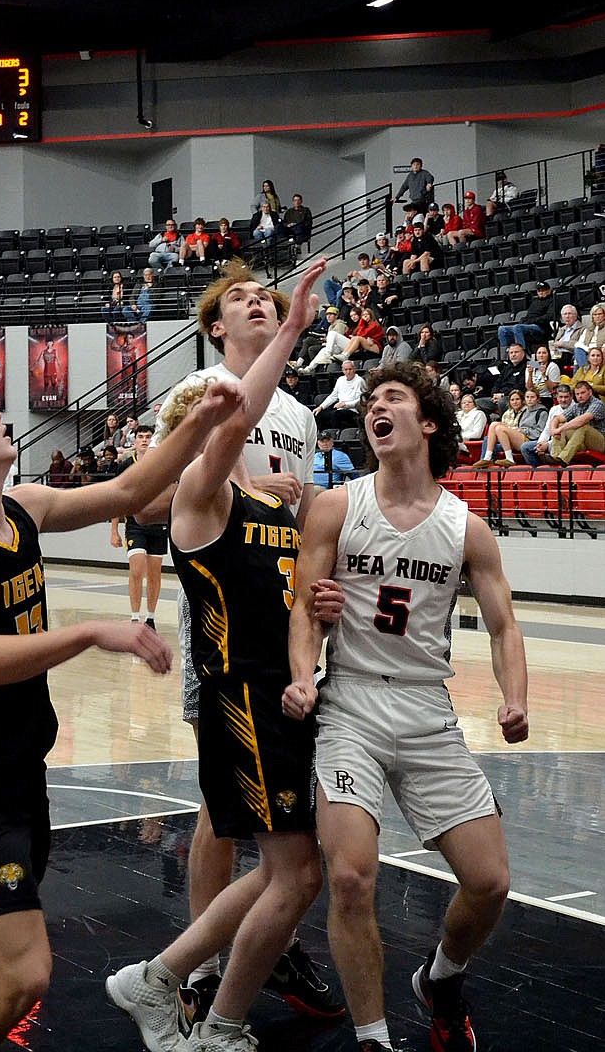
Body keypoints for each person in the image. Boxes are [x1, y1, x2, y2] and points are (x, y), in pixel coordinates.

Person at [0, 372, 240, 1052]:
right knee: (22, 974)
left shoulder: (21, 506)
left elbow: (130, 492)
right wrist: (86, 634)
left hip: (21, 772)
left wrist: (197, 422)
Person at [106, 260, 330, 1052]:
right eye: (238, 297)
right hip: (223, 632)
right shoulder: (198, 395)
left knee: (280, 838)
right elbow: (158, 497)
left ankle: (228, 959)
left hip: (285, 626)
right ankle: (199, 978)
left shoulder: (300, 415)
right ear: (213, 328)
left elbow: (295, 529)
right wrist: (246, 487)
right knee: (226, 811)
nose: (256, 302)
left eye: (264, 296)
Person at [284, 361, 528, 1052]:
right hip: (351, 703)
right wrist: (304, 674)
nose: (374, 408)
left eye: (393, 397)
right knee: (353, 876)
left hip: (427, 707)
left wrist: (516, 700)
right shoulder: (337, 505)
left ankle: (442, 979)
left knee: (490, 882)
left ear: (427, 423)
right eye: (369, 402)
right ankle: (373, 1038)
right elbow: (305, 605)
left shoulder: (465, 528)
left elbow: (506, 625)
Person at [111, 426, 169, 628]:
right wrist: (114, 530)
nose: (144, 440)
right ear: (134, 442)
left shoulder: (162, 465)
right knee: (137, 568)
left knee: (155, 573)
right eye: (141, 437)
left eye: (148, 437)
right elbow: (117, 500)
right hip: (135, 525)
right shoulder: (126, 465)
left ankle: (150, 618)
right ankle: (135, 617)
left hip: (159, 524)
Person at [474, 387, 547, 469]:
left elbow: (539, 433)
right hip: (519, 437)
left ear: (538, 399)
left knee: (499, 428)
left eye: (532, 397)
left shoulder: (542, 412)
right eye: (527, 397)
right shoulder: (525, 412)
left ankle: (509, 459)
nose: (529, 399)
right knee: (493, 425)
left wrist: (522, 430)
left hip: (530, 439)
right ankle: (487, 458)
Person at [549, 379, 605, 466]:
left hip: (601, 443)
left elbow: (582, 420)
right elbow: (557, 419)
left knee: (583, 427)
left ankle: (563, 458)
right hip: (582, 440)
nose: (580, 396)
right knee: (560, 425)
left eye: (583, 393)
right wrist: (554, 430)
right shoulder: (576, 406)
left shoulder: (597, 404)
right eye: (577, 394)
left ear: (590, 392)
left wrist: (559, 429)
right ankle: (555, 457)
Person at [520, 383, 574, 468]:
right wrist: (540, 443)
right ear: (556, 397)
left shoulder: (576, 408)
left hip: (566, 442)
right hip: (551, 441)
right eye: (561, 397)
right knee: (525, 447)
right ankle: (538, 472)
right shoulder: (554, 409)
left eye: (566, 397)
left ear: (571, 396)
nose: (563, 400)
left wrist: (547, 444)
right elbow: (547, 430)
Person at [497, 282, 554, 355]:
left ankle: (521, 353)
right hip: (530, 324)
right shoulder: (535, 301)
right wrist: (524, 319)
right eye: (539, 290)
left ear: (548, 290)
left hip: (541, 327)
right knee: (502, 329)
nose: (541, 292)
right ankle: (507, 353)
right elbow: (530, 315)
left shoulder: (552, 301)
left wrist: (531, 321)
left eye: (543, 290)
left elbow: (548, 317)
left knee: (517, 327)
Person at [313, 360, 364, 430]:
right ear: (342, 370)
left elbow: (361, 400)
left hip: (353, 410)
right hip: (340, 409)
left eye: (350, 369)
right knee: (318, 414)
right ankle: (322, 437)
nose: (348, 372)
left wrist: (345, 404)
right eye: (346, 370)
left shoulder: (359, 381)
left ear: (354, 369)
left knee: (336, 415)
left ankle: (335, 435)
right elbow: (333, 396)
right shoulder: (340, 380)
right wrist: (321, 407)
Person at [547, 303, 582, 367]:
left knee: (552, 361)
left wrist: (563, 344)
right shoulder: (562, 329)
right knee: (538, 358)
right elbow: (555, 343)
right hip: (557, 354)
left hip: (569, 355)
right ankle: (534, 375)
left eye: (569, 313)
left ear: (575, 315)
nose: (567, 316)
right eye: (565, 314)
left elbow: (580, 345)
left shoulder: (582, 329)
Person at [572, 302, 605, 368]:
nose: (597, 316)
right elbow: (578, 344)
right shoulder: (588, 329)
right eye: (595, 314)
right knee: (577, 350)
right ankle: (584, 370)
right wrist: (588, 350)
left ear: (604, 315)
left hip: (599, 350)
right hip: (587, 351)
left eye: (600, 314)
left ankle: (585, 372)